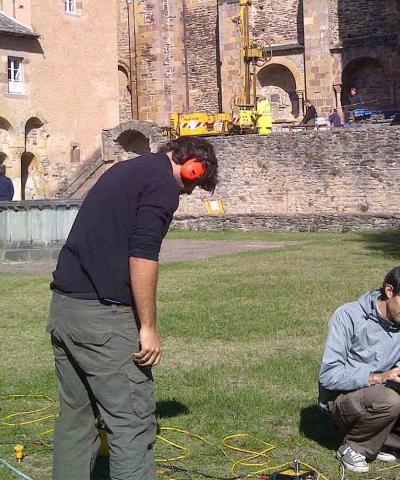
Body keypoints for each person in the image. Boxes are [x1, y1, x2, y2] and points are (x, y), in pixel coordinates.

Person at [47, 136, 218, 480]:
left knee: (76, 419)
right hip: (103, 320)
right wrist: (148, 327)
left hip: (64, 310)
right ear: (192, 168)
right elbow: (142, 253)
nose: (188, 195)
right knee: (133, 424)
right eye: (195, 185)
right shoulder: (162, 185)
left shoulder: (126, 170)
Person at [319, 266, 400, 474]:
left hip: (382, 392)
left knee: (389, 397)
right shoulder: (348, 315)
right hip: (342, 400)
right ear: (389, 291)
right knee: (389, 400)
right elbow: (328, 376)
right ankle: (354, 447)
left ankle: (378, 440)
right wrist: (377, 377)